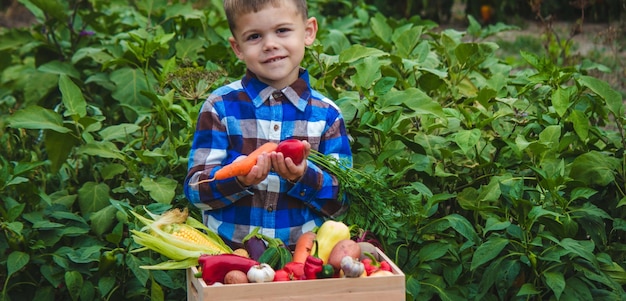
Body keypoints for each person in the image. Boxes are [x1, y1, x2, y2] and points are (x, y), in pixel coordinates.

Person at [184, 0, 353, 249]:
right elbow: (196, 192)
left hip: (302, 263)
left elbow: (341, 201)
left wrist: (303, 176)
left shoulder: (326, 116)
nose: (270, 44)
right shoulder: (220, 106)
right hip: (229, 257)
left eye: (282, 30)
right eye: (254, 36)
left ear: (308, 32)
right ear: (237, 47)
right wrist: (239, 178)